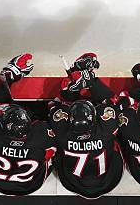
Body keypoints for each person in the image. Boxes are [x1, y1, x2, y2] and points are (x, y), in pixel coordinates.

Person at [0, 53, 57, 195]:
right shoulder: (41, 134)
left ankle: (9, 76)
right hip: (13, 183)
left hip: (2, 181)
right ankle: (8, 76)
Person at [49, 56, 123, 199]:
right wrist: (91, 82)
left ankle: (80, 78)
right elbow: (111, 101)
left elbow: (55, 105)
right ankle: (85, 78)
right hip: (104, 181)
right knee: (114, 107)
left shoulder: (104, 132)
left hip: (73, 182)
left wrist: (70, 88)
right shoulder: (63, 133)